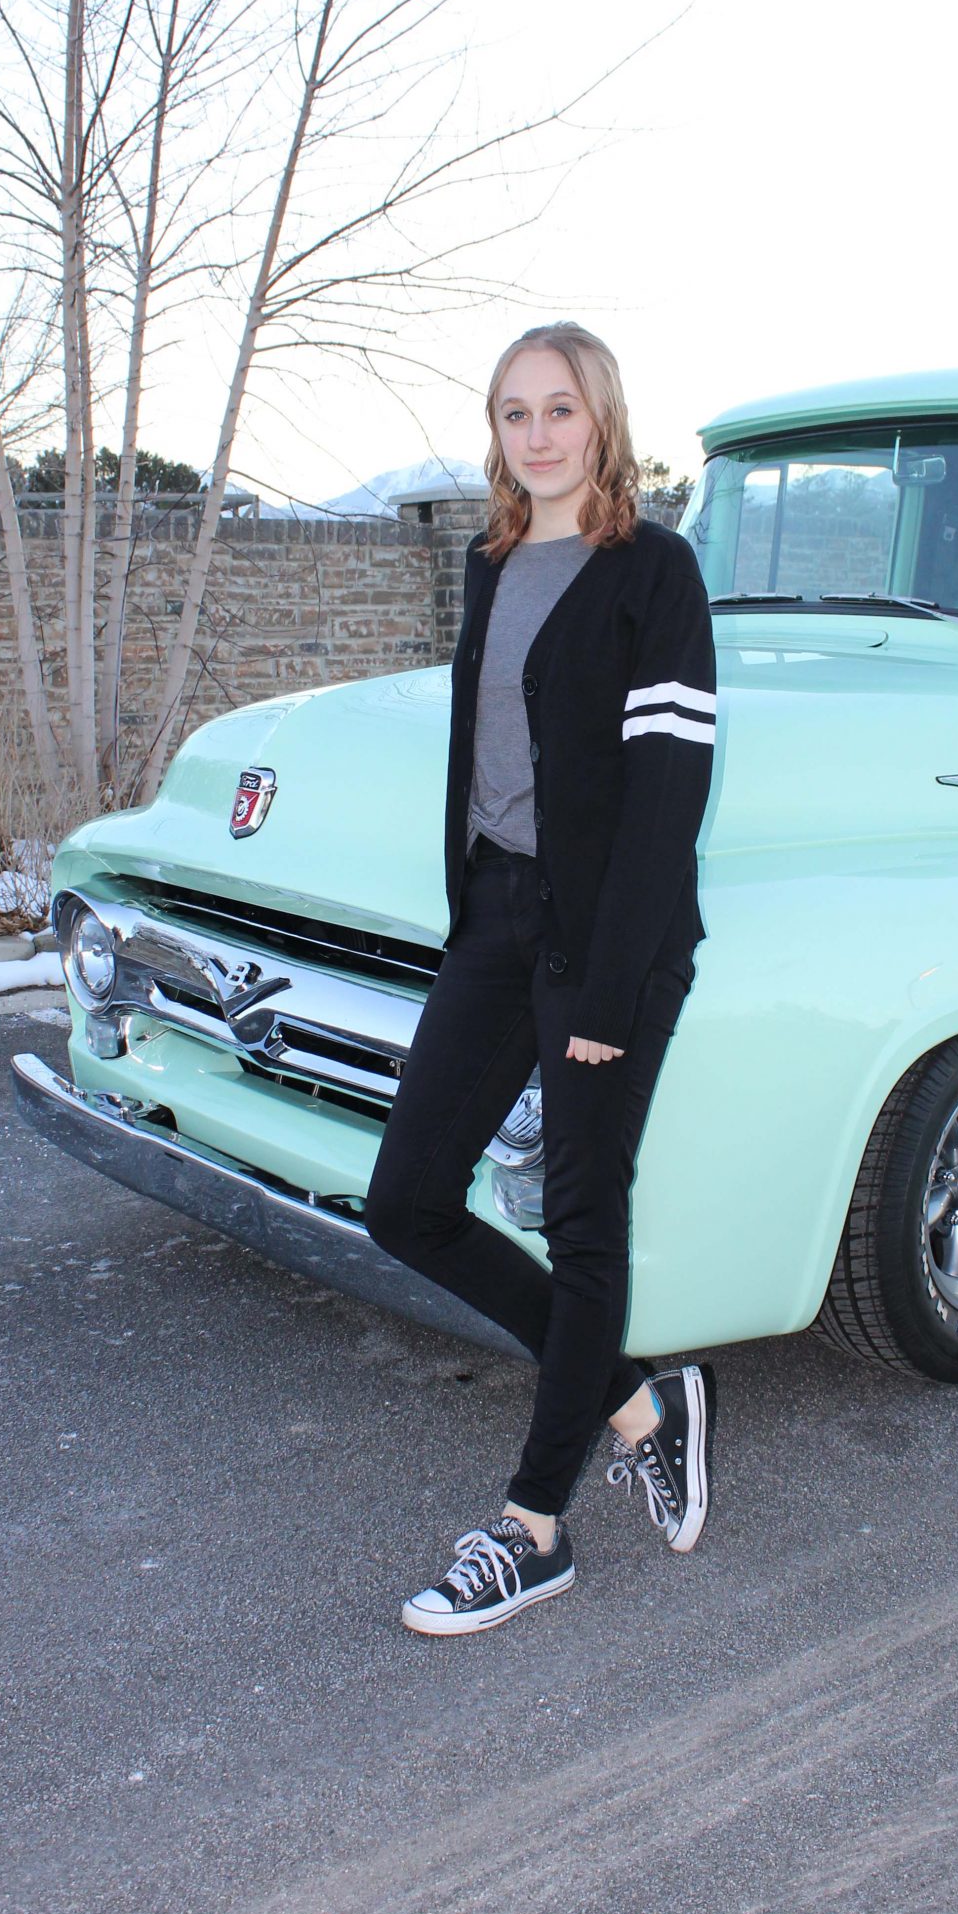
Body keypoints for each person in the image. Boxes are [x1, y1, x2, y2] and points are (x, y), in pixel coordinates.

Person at [361, 321, 718, 1634]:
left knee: (582, 1223)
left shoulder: (653, 574)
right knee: (406, 1202)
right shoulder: (494, 559)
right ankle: (633, 1397)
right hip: (501, 919)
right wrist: (474, 914)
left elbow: (665, 801)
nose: (537, 434)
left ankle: (532, 1528)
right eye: (514, 413)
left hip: (608, 937)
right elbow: (488, 757)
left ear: (602, 418)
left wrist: (609, 999)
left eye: (559, 408)